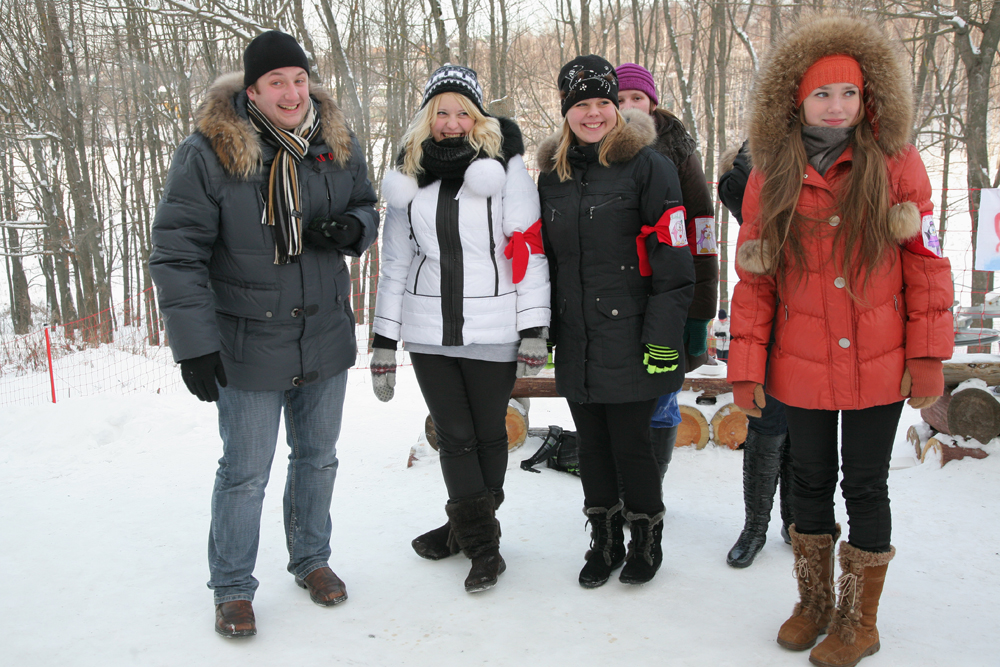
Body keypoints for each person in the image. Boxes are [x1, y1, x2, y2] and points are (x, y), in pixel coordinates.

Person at [727, 15, 952, 666]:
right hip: (802, 363)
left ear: (867, 99)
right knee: (807, 481)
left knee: (865, 484)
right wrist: (747, 364)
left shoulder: (896, 162)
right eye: (822, 94)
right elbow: (756, 277)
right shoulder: (772, 171)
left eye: (848, 94)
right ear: (798, 101)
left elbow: (928, 264)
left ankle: (859, 620)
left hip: (880, 362)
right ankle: (814, 602)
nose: (836, 106)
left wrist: (928, 354)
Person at [150, 30, 379, 638]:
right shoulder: (208, 154)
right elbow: (176, 253)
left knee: (318, 459)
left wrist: (351, 230)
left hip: (325, 334)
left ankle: (311, 559)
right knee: (245, 472)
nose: (291, 91)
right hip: (247, 342)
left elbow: (367, 204)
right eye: (276, 81)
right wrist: (193, 342)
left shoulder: (336, 142)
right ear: (252, 90)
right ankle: (232, 587)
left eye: (299, 79)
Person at [370, 65, 550, 593]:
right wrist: (383, 341)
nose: (452, 122)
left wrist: (534, 328)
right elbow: (396, 263)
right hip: (428, 328)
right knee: (455, 436)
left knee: (488, 432)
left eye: (462, 112)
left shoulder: (506, 170)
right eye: (441, 112)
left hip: (494, 327)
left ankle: (463, 532)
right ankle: (483, 545)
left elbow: (530, 253)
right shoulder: (408, 175)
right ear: (428, 117)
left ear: (479, 117)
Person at [537, 55, 694, 588]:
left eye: (604, 102)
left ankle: (646, 539)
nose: (595, 113)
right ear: (566, 113)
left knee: (632, 444)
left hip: (632, 335)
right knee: (592, 446)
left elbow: (675, 263)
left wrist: (664, 340)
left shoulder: (651, 167)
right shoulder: (551, 177)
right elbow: (547, 264)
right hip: (577, 335)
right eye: (582, 104)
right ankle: (603, 540)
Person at [616, 63, 719, 480]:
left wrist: (700, 308)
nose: (627, 108)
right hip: (614, 297)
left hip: (669, 296)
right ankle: (620, 487)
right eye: (618, 100)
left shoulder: (677, 149)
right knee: (617, 401)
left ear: (653, 104)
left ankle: (649, 488)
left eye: (636, 99)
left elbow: (702, 228)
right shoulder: (592, 144)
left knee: (661, 396)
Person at [718, 142, 795, 568]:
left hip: (817, 318)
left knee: (806, 430)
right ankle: (756, 526)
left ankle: (795, 517)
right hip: (767, 312)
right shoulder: (748, 170)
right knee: (768, 424)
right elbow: (735, 190)